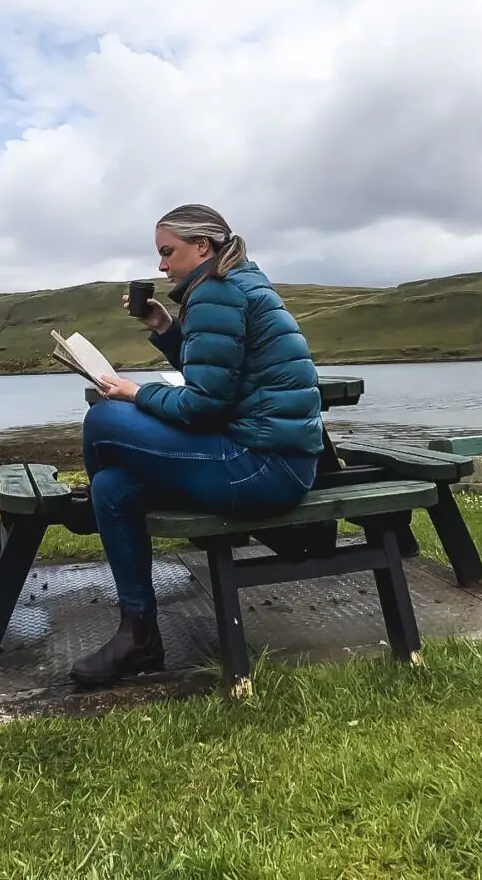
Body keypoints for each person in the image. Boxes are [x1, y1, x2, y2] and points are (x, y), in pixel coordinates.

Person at [70, 203, 324, 688]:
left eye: (168, 252)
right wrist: (166, 329)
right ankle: (138, 634)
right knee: (111, 487)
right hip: (276, 458)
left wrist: (138, 393)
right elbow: (215, 372)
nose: (162, 265)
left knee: (104, 419)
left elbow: (205, 404)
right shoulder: (237, 283)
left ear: (202, 246)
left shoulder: (216, 293)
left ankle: (96, 524)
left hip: (263, 467)